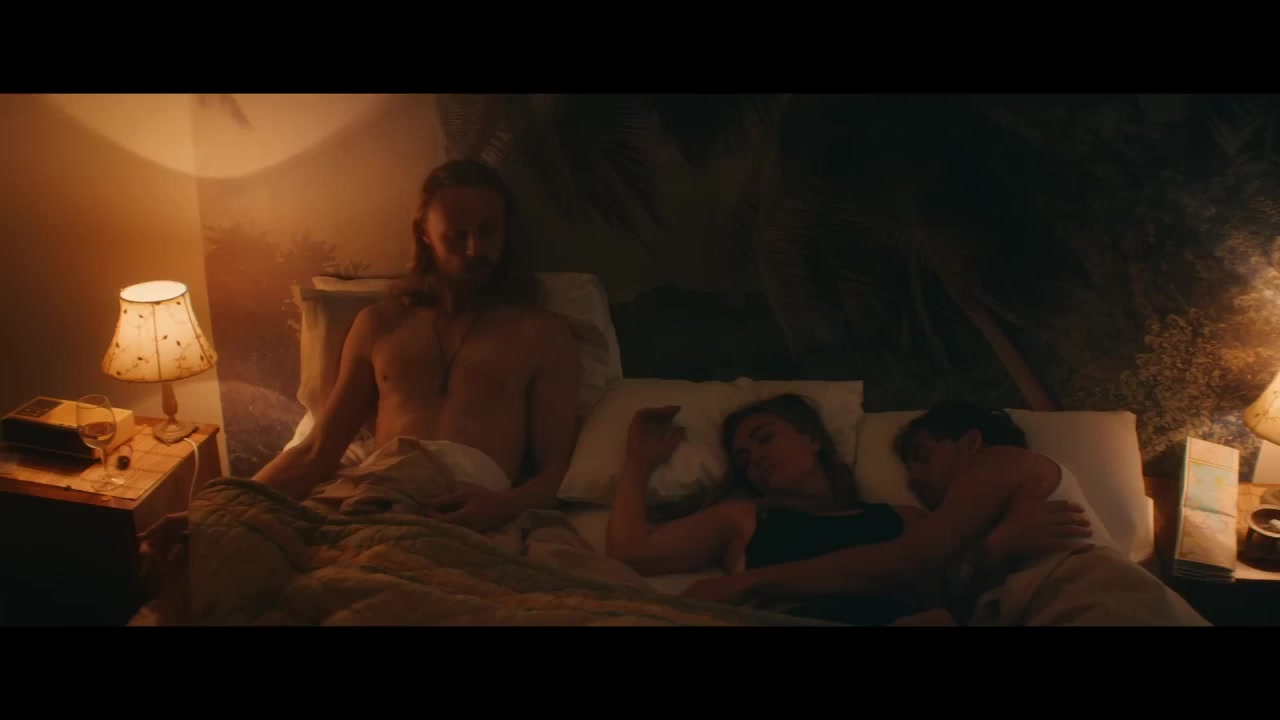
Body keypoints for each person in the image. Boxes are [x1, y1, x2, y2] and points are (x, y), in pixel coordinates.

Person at [139, 159, 583, 579]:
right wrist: (211, 513)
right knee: (211, 557)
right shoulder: (380, 325)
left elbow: (555, 472)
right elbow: (317, 453)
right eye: (457, 235)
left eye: (488, 232)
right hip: (379, 499)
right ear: (425, 234)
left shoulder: (542, 334)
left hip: (476, 513)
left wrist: (503, 506)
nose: (475, 249)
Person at [606, 396, 1093, 625]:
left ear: (813, 439)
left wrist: (995, 549)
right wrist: (638, 463)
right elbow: (631, 551)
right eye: (743, 458)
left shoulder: (906, 520)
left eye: (764, 438)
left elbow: (958, 605)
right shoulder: (744, 516)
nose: (754, 459)